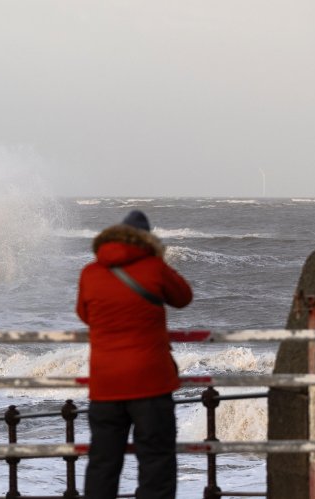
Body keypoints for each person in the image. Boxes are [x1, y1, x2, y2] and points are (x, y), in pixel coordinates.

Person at [76, 210, 192, 499]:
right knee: (156, 461)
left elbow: (84, 314)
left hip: (105, 386)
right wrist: (159, 260)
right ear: (147, 239)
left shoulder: (90, 272)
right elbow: (183, 297)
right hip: (150, 383)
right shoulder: (153, 267)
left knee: (103, 464)